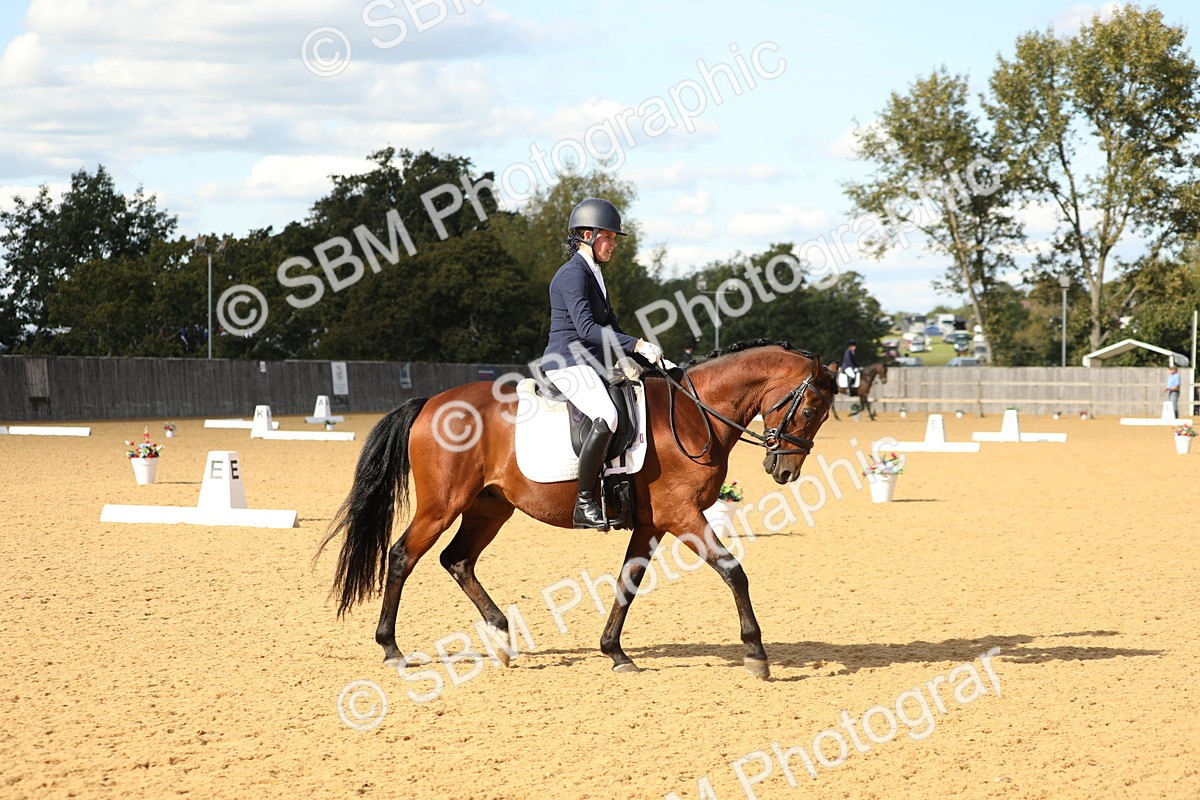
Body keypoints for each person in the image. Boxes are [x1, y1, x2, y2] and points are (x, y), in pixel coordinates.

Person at [542, 198, 664, 529]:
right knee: (606, 415)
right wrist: (636, 344)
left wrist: (646, 356)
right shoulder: (571, 274)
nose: (612, 244)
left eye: (613, 238)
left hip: (590, 363)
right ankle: (584, 502)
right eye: (608, 237)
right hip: (566, 361)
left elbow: (611, 328)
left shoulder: (594, 273)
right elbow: (586, 329)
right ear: (586, 234)